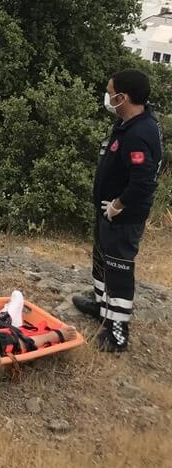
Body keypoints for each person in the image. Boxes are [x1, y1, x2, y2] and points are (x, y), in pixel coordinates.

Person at [72, 69, 164, 352]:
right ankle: (102, 306)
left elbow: (143, 182)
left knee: (119, 268)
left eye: (110, 92)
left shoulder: (139, 133)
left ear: (122, 97)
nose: (108, 97)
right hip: (106, 212)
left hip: (122, 217)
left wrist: (117, 205)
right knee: (101, 258)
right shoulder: (128, 123)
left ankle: (118, 330)